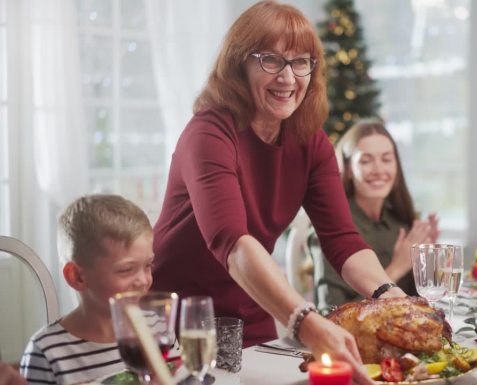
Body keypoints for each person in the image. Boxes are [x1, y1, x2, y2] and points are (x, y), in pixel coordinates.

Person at [150, 2, 402, 383]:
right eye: (271, 60)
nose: (288, 77)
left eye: (301, 62)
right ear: (239, 64)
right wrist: (305, 320)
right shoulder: (209, 132)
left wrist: (389, 294)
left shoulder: (310, 141)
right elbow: (233, 245)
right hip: (180, 320)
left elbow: (343, 240)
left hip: (249, 313)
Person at [21, 194, 180, 385]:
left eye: (148, 265)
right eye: (126, 270)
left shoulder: (158, 329)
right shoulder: (47, 353)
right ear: (77, 277)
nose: (143, 280)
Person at [313, 119, 439, 308]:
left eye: (386, 159)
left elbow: (416, 301)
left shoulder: (401, 223)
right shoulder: (331, 229)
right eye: (366, 161)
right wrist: (398, 266)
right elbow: (331, 315)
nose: (379, 170)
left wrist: (427, 261)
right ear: (347, 169)